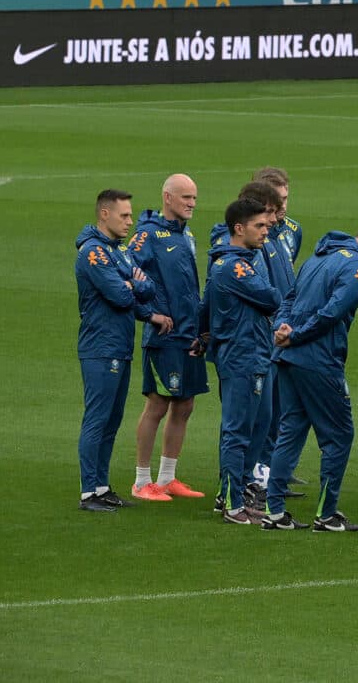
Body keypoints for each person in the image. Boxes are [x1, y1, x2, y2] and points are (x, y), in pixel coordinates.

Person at [260, 226, 358, 533]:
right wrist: (297, 336)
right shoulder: (356, 265)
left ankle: (274, 511)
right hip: (317, 360)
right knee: (339, 436)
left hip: (288, 358)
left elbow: (289, 298)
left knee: (291, 431)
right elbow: (333, 311)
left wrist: (282, 327)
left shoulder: (317, 257)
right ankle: (326, 514)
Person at [76, 188, 165, 512]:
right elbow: (120, 296)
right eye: (124, 215)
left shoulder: (119, 252)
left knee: (111, 420)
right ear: (104, 214)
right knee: (97, 419)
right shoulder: (94, 253)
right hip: (101, 347)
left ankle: (102, 486)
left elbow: (147, 286)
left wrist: (135, 288)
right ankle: (89, 492)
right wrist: (131, 285)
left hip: (118, 345)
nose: (130, 221)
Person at [129, 174, 207, 502]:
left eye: (194, 198)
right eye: (186, 197)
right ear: (167, 198)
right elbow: (125, 272)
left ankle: (167, 478)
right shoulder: (148, 235)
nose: (191, 203)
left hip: (189, 332)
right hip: (164, 336)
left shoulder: (185, 234)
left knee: (185, 404)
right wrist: (150, 313)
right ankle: (141, 480)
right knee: (158, 404)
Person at [203, 195, 279, 523]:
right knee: (237, 430)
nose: (265, 231)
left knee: (257, 424)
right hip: (241, 356)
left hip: (254, 353)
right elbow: (271, 297)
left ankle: (236, 490)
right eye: (259, 226)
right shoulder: (233, 266)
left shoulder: (244, 259)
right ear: (239, 228)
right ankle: (231, 503)